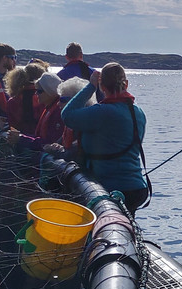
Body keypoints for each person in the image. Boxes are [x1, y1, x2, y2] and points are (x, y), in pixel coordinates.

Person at [61, 62, 149, 211]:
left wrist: (90, 87)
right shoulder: (139, 113)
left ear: (102, 86)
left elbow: (67, 115)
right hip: (137, 188)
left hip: (110, 187)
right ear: (126, 84)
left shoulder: (101, 112)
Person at [6, 72, 65, 151]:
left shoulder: (59, 111)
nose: (36, 93)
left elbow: (50, 142)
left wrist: (21, 138)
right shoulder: (49, 107)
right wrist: (20, 136)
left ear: (50, 92)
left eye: (39, 91)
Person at [6, 62, 47, 134]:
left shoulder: (13, 100)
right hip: (42, 139)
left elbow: (13, 125)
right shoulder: (47, 97)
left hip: (20, 139)